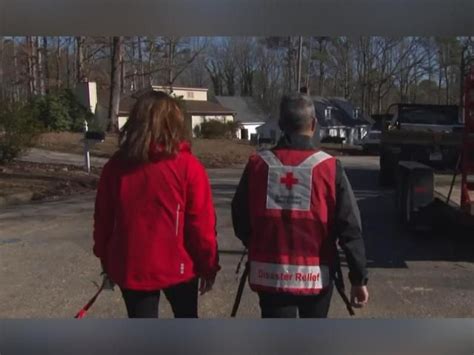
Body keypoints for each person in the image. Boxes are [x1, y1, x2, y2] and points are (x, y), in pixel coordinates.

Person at [231, 93, 369, 318]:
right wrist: (358, 277)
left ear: (281, 125)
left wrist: (258, 242)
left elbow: (240, 216)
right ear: (314, 124)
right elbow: (349, 227)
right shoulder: (330, 168)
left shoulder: (257, 165)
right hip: (316, 278)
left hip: (269, 276)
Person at [93, 91, 220, 318]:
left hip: (131, 265)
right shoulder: (188, 167)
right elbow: (201, 225)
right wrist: (208, 265)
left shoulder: (115, 167)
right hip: (179, 266)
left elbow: (103, 219)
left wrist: (105, 258)